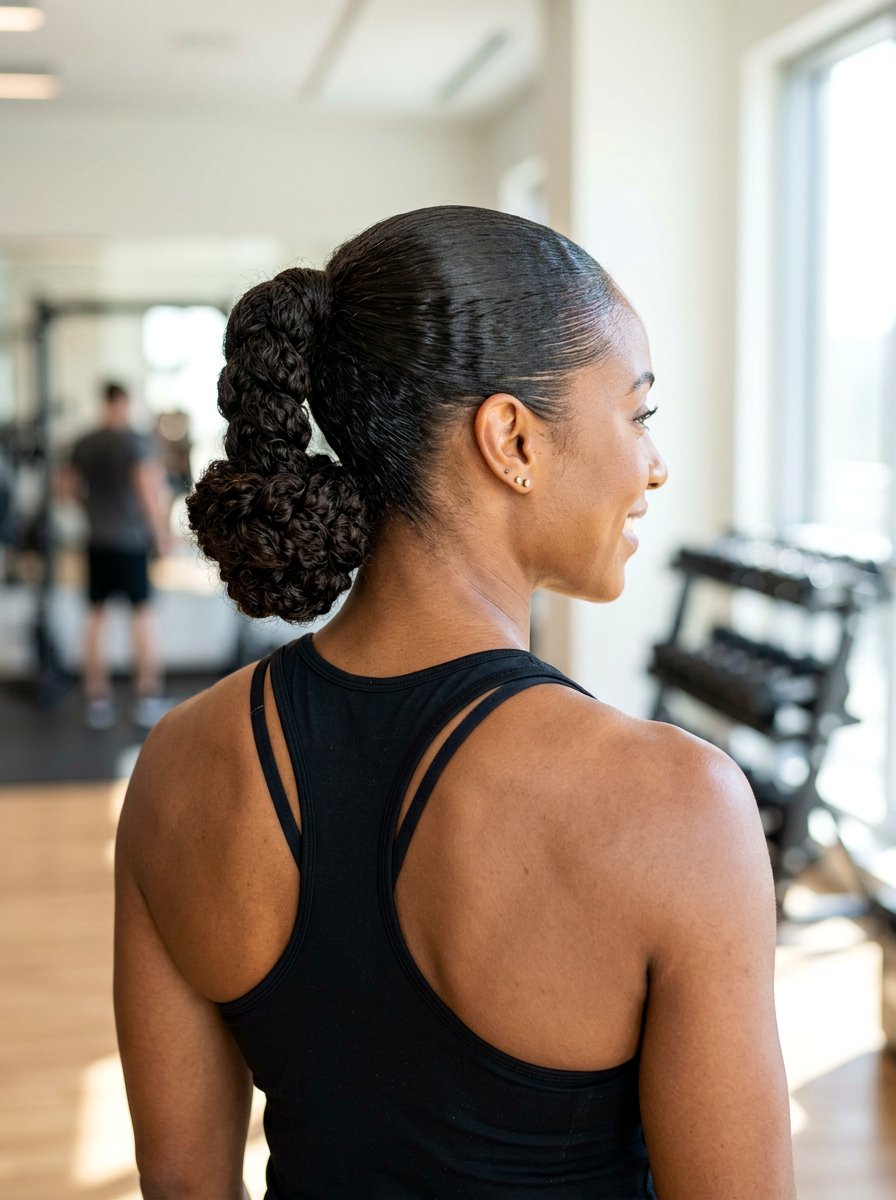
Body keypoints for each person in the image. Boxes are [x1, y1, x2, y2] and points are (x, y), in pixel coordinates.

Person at [114, 207, 795, 1199]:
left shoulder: (177, 764)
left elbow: (182, 1186)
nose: (653, 465)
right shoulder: (679, 807)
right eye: (637, 414)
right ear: (510, 436)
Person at [68, 382, 170, 729]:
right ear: (123, 402)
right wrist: (161, 535)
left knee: (96, 618)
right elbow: (146, 489)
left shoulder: (85, 443)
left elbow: (64, 487)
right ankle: (148, 697)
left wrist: (90, 508)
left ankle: (97, 701)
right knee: (141, 617)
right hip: (130, 543)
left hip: (97, 540)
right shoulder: (133, 442)